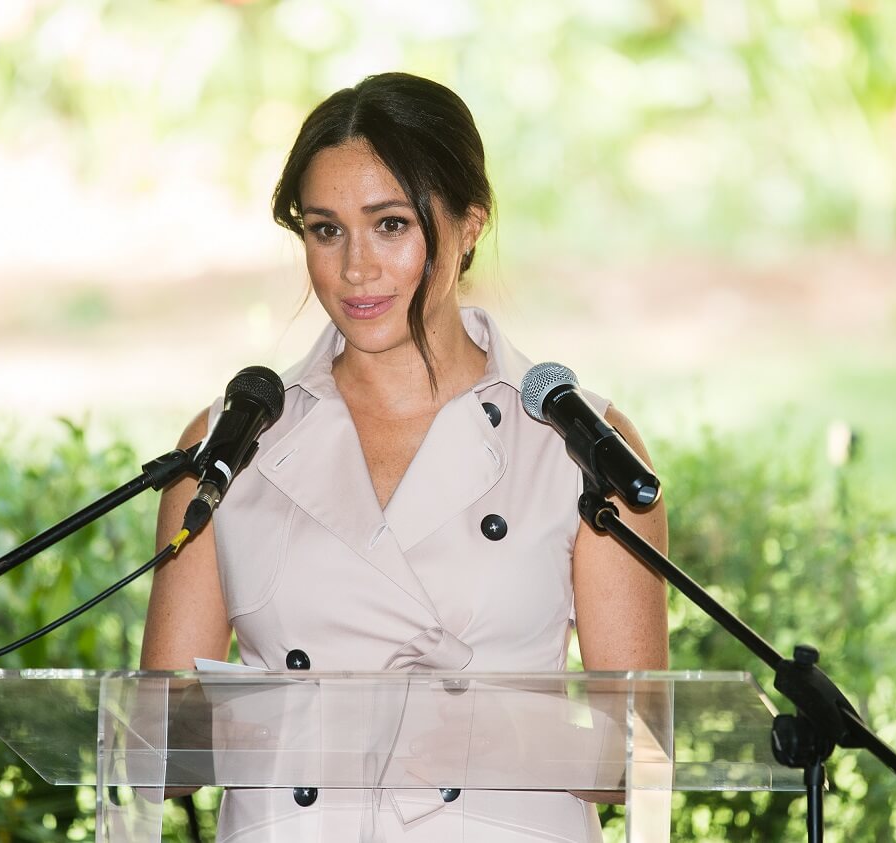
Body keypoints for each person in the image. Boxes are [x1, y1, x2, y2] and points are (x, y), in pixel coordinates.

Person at [141, 72, 668, 842]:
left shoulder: (580, 444)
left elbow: (637, 757)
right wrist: (334, 722)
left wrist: (466, 728)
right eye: (326, 230)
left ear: (467, 226)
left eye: (389, 225)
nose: (355, 268)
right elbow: (159, 743)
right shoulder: (230, 441)